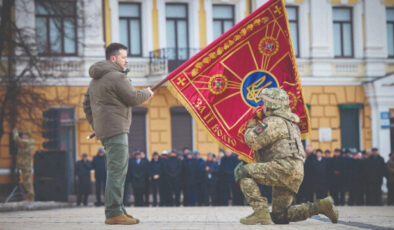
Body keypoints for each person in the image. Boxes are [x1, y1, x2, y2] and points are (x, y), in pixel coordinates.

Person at [236, 88, 338, 225]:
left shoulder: (274, 121)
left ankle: (260, 211)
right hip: (295, 170)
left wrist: (251, 125)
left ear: (271, 106)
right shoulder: (291, 123)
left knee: (242, 171)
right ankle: (320, 207)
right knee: (280, 216)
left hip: (283, 167)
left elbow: (253, 141)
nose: (262, 107)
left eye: (264, 103)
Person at [83, 42, 153, 225]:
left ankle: (119, 209)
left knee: (116, 169)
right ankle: (113, 212)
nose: (126, 60)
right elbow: (133, 98)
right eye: (123, 57)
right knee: (117, 171)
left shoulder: (95, 80)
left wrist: (97, 125)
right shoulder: (116, 76)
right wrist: (147, 93)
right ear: (113, 59)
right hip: (117, 130)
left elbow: (86, 105)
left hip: (106, 131)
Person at [12, 128, 35, 201]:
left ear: (28, 136)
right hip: (25, 165)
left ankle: (30, 197)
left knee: (27, 181)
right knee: (26, 181)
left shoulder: (27, 142)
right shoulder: (27, 142)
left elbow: (18, 140)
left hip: (26, 165)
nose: (23, 136)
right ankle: (29, 197)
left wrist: (15, 133)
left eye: (25, 135)